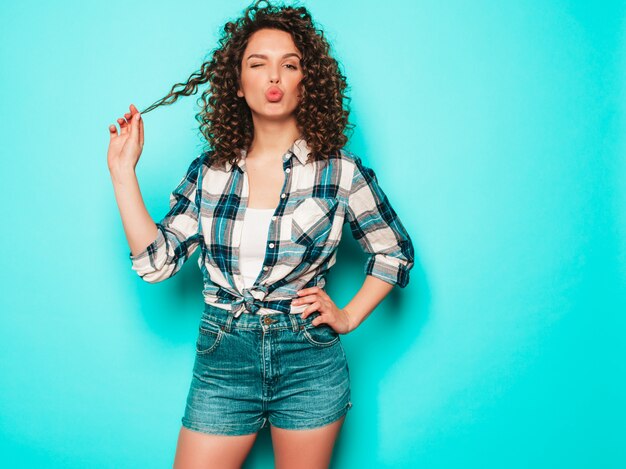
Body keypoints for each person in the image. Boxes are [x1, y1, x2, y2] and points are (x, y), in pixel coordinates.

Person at [107, 1, 414, 467]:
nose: (274, 77)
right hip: (222, 356)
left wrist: (348, 316)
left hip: (307, 358)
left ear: (306, 82)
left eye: (289, 65)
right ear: (237, 82)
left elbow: (393, 251)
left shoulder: (340, 171)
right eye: (258, 64)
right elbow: (157, 263)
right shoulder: (208, 173)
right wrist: (122, 172)